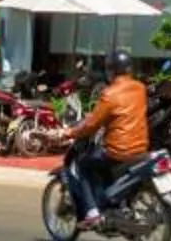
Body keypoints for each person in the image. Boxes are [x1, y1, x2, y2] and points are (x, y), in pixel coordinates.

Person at [62, 50, 153, 228]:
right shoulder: (140, 88)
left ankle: (92, 213)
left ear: (111, 71)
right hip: (140, 149)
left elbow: (91, 125)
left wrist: (70, 133)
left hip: (118, 151)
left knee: (83, 164)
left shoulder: (109, 94)